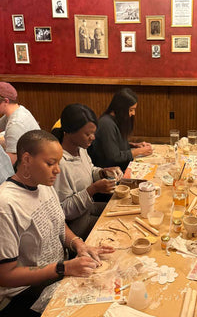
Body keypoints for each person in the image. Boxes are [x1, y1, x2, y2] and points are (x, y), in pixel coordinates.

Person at [0, 130, 114, 317]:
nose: (57, 170)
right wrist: (63, 268)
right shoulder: (6, 204)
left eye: (58, 163)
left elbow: (59, 225)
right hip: (25, 293)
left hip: (58, 272)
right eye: (50, 163)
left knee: (112, 291)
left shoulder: (44, 185)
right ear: (27, 159)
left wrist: (79, 244)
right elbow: (6, 275)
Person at [52, 104, 122, 239]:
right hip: (76, 227)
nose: (93, 137)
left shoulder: (81, 148)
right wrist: (92, 190)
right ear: (69, 131)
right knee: (120, 230)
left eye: (93, 133)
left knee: (124, 210)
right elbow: (63, 211)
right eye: (87, 134)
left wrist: (102, 172)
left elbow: (90, 170)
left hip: (88, 210)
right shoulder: (59, 163)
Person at [88, 88, 153, 172]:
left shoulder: (116, 119)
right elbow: (114, 157)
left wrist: (134, 145)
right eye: (131, 110)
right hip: (112, 173)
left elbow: (113, 145)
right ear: (121, 108)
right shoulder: (106, 124)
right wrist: (138, 151)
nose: (133, 113)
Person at [0, 82, 40, 165]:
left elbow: (10, 164)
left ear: (6, 101)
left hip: (30, 168)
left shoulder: (16, 124)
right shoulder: (18, 109)